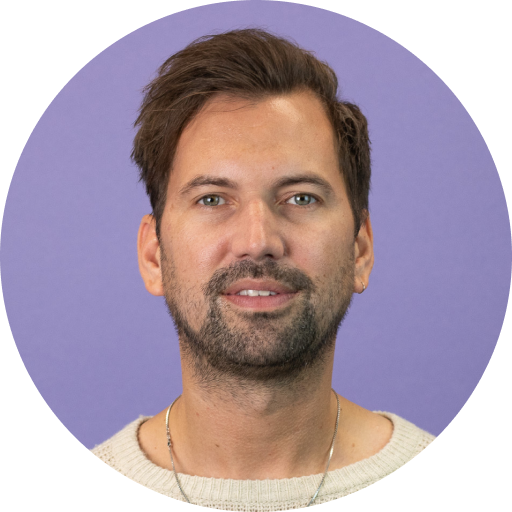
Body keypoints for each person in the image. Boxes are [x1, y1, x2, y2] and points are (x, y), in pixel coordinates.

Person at [90, 28, 434, 511]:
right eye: (212, 199)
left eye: (301, 198)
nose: (258, 242)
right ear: (154, 256)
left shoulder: (440, 485)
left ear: (360, 249)